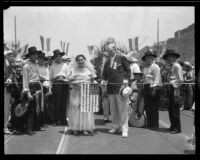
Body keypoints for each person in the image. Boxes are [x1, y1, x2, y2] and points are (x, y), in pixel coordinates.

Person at [102, 37, 131, 138]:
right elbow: (104, 75)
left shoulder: (121, 57)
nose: (109, 52)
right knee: (113, 110)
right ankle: (115, 126)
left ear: (115, 49)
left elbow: (128, 70)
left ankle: (124, 128)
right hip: (110, 89)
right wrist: (103, 80)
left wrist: (126, 79)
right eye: (107, 50)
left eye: (111, 50)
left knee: (122, 109)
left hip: (120, 88)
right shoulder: (106, 62)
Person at [68, 54, 97, 135]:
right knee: (76, 109)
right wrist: (77, 82)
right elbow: (69, 82)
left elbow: (93, 81)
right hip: (76, 93)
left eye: (82, 59)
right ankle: (76, 128)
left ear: (84, 60)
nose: (80, 61)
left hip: (86, 93)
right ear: (76, 61)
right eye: (79, 60)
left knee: (86, 111)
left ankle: (85, 127)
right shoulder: (73, 70)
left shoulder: (89, 70)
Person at [22, 46, 43, 135]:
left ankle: (36, 126)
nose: (35, 56)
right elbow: (25, 80)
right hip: (30, 86)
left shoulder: (37, 64)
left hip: (37, 86)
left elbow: (38, 77)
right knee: (30, 108)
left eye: (36, 54)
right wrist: (28, 92)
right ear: (29, 56)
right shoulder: (26, 66)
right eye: (33, 54)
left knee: (36, 107)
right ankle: (28, 128)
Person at [162, 49, 183, 134]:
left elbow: (181, 79)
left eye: (171, 57)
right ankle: (172, 126)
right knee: (170, 108)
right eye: (168, 57)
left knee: (175, 109)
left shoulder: (177, 66)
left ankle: (177, 128)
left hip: (175, 88)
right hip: (170, 88)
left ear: (175, 57)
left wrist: (173, 84)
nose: (169, 58)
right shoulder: (170, 66)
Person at [142, 50, 162, 130]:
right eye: (147, 58)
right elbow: (144, 78)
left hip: (154, 87)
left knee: (154, 107)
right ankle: (150, 123)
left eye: (150, 58)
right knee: (148, 106)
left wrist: (154, 89)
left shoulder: (155, 67)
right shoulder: (145, 68)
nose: (148, 59)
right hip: (146, 87)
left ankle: (155, 124)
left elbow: (157, 79)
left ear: (152, 58)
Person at [50, 49, 70, 126]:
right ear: (54, 58)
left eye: (59, 56)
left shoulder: (65, 65)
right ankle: (55, 120)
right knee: (56, 102)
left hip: (64, 83)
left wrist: (66, 80)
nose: (58, 58)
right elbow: (50, 77)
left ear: (61, 57)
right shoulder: (52, 67)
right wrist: (51, 86)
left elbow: (68, 75)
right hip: (56, 83)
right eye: (56, 57)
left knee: (64, 101)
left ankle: (63, 119)